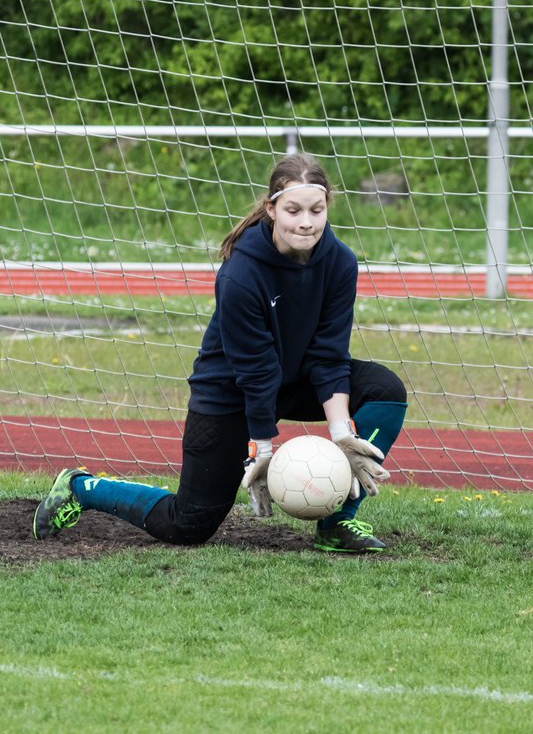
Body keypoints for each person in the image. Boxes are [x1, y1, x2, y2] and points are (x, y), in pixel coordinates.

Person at [32, 153, 408, 553]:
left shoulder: (340, 263)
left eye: (316, 210)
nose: (306, 222)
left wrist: (342, 436)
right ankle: (82, 487)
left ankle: (337, 523)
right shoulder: (241, 274)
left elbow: (329, 355)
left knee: (385, 390)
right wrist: (261, 449)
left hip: (296, 380)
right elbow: (256, 371)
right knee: (189, 524)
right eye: (293, 210)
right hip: (229, 392)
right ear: (272, 209)